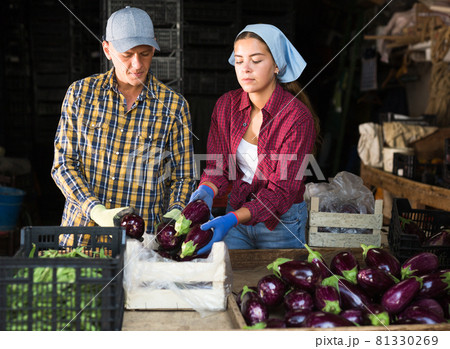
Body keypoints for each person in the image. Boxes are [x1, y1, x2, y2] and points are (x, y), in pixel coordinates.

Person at [51, 7, 196, 246]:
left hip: (143, 243)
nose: (137, 64)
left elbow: (184, 176)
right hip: (82, 237)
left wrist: (173, 214)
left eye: (145, 53)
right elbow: (63, 164)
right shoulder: (80, 94)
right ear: (107, 50)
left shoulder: (174, 105)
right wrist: (95, 210)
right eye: (127, 55)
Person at [190, 24, 320, 254]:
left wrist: (231, 219)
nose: (245, 69)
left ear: (277, 65)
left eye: (256, 60)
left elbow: (280, 193)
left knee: (278, 285)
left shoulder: (297, 118)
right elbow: (217, 167)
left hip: (281, 224)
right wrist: (206, 192)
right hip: (237, 215)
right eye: (239, 61)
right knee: (232, 285)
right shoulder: (226, 106)